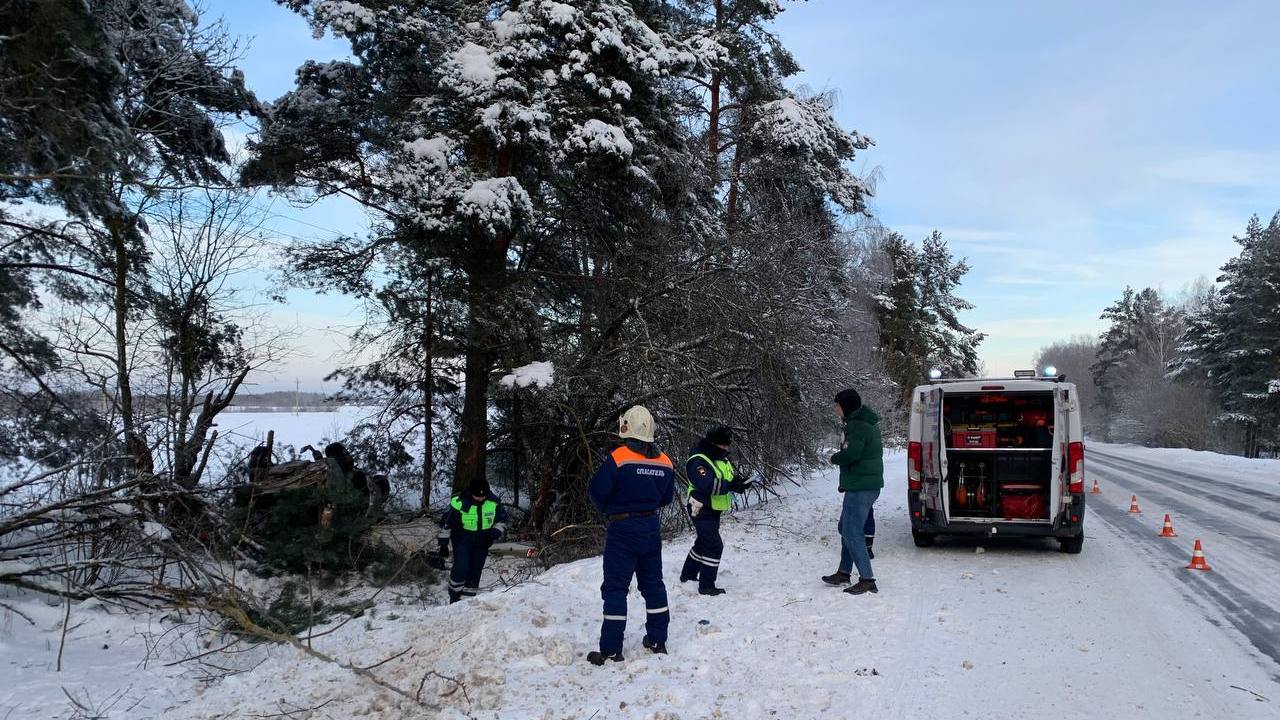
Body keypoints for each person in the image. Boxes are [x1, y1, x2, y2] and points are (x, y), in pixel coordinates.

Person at [586, 405, 676, 665]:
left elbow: (597, 491)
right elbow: (667, 497)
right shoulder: (665, 461)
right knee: (654, 586)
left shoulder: (619, 457)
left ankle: (612, 649)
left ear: (627, 428)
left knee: (615, 589)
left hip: (622, 530)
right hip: (650, 529)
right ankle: (657, 640)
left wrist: (612, 509)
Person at [823, 388, 884, 595]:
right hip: (862, 485)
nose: (834, 408)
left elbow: (853, 454)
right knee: (845, 527)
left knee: (851, 531)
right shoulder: (862, 423)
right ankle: (843, 572)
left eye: (837, 405)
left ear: (846, 406)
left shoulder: (857, 426)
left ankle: (867, 579)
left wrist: (834, 458)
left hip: (861, 488)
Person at [679, 425, 750, 596]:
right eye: (724, 446)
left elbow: (727, 479)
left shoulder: (719, 459)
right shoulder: (697, 460)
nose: (726, 449)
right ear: (714, 444)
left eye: (727, 446)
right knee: (714, 546)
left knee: (704, 542)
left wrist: (740, 483)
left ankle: (687, 574)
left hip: (713, 509)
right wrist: (730, 485)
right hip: (700, 508)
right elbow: (708, 484)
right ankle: (706, 586)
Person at [440, 481, 507, 603]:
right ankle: (454, 597)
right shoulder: (459, 503)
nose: (480, 498)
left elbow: (502, 520)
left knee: (475, 570)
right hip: (462, 540)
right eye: (477, 496)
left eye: (483, 496)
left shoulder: (494, 502)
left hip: (483, 541)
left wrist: (495, 532)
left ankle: (467, 599)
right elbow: (446, 524)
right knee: (461, 568)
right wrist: (443, 543)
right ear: (471, 493)